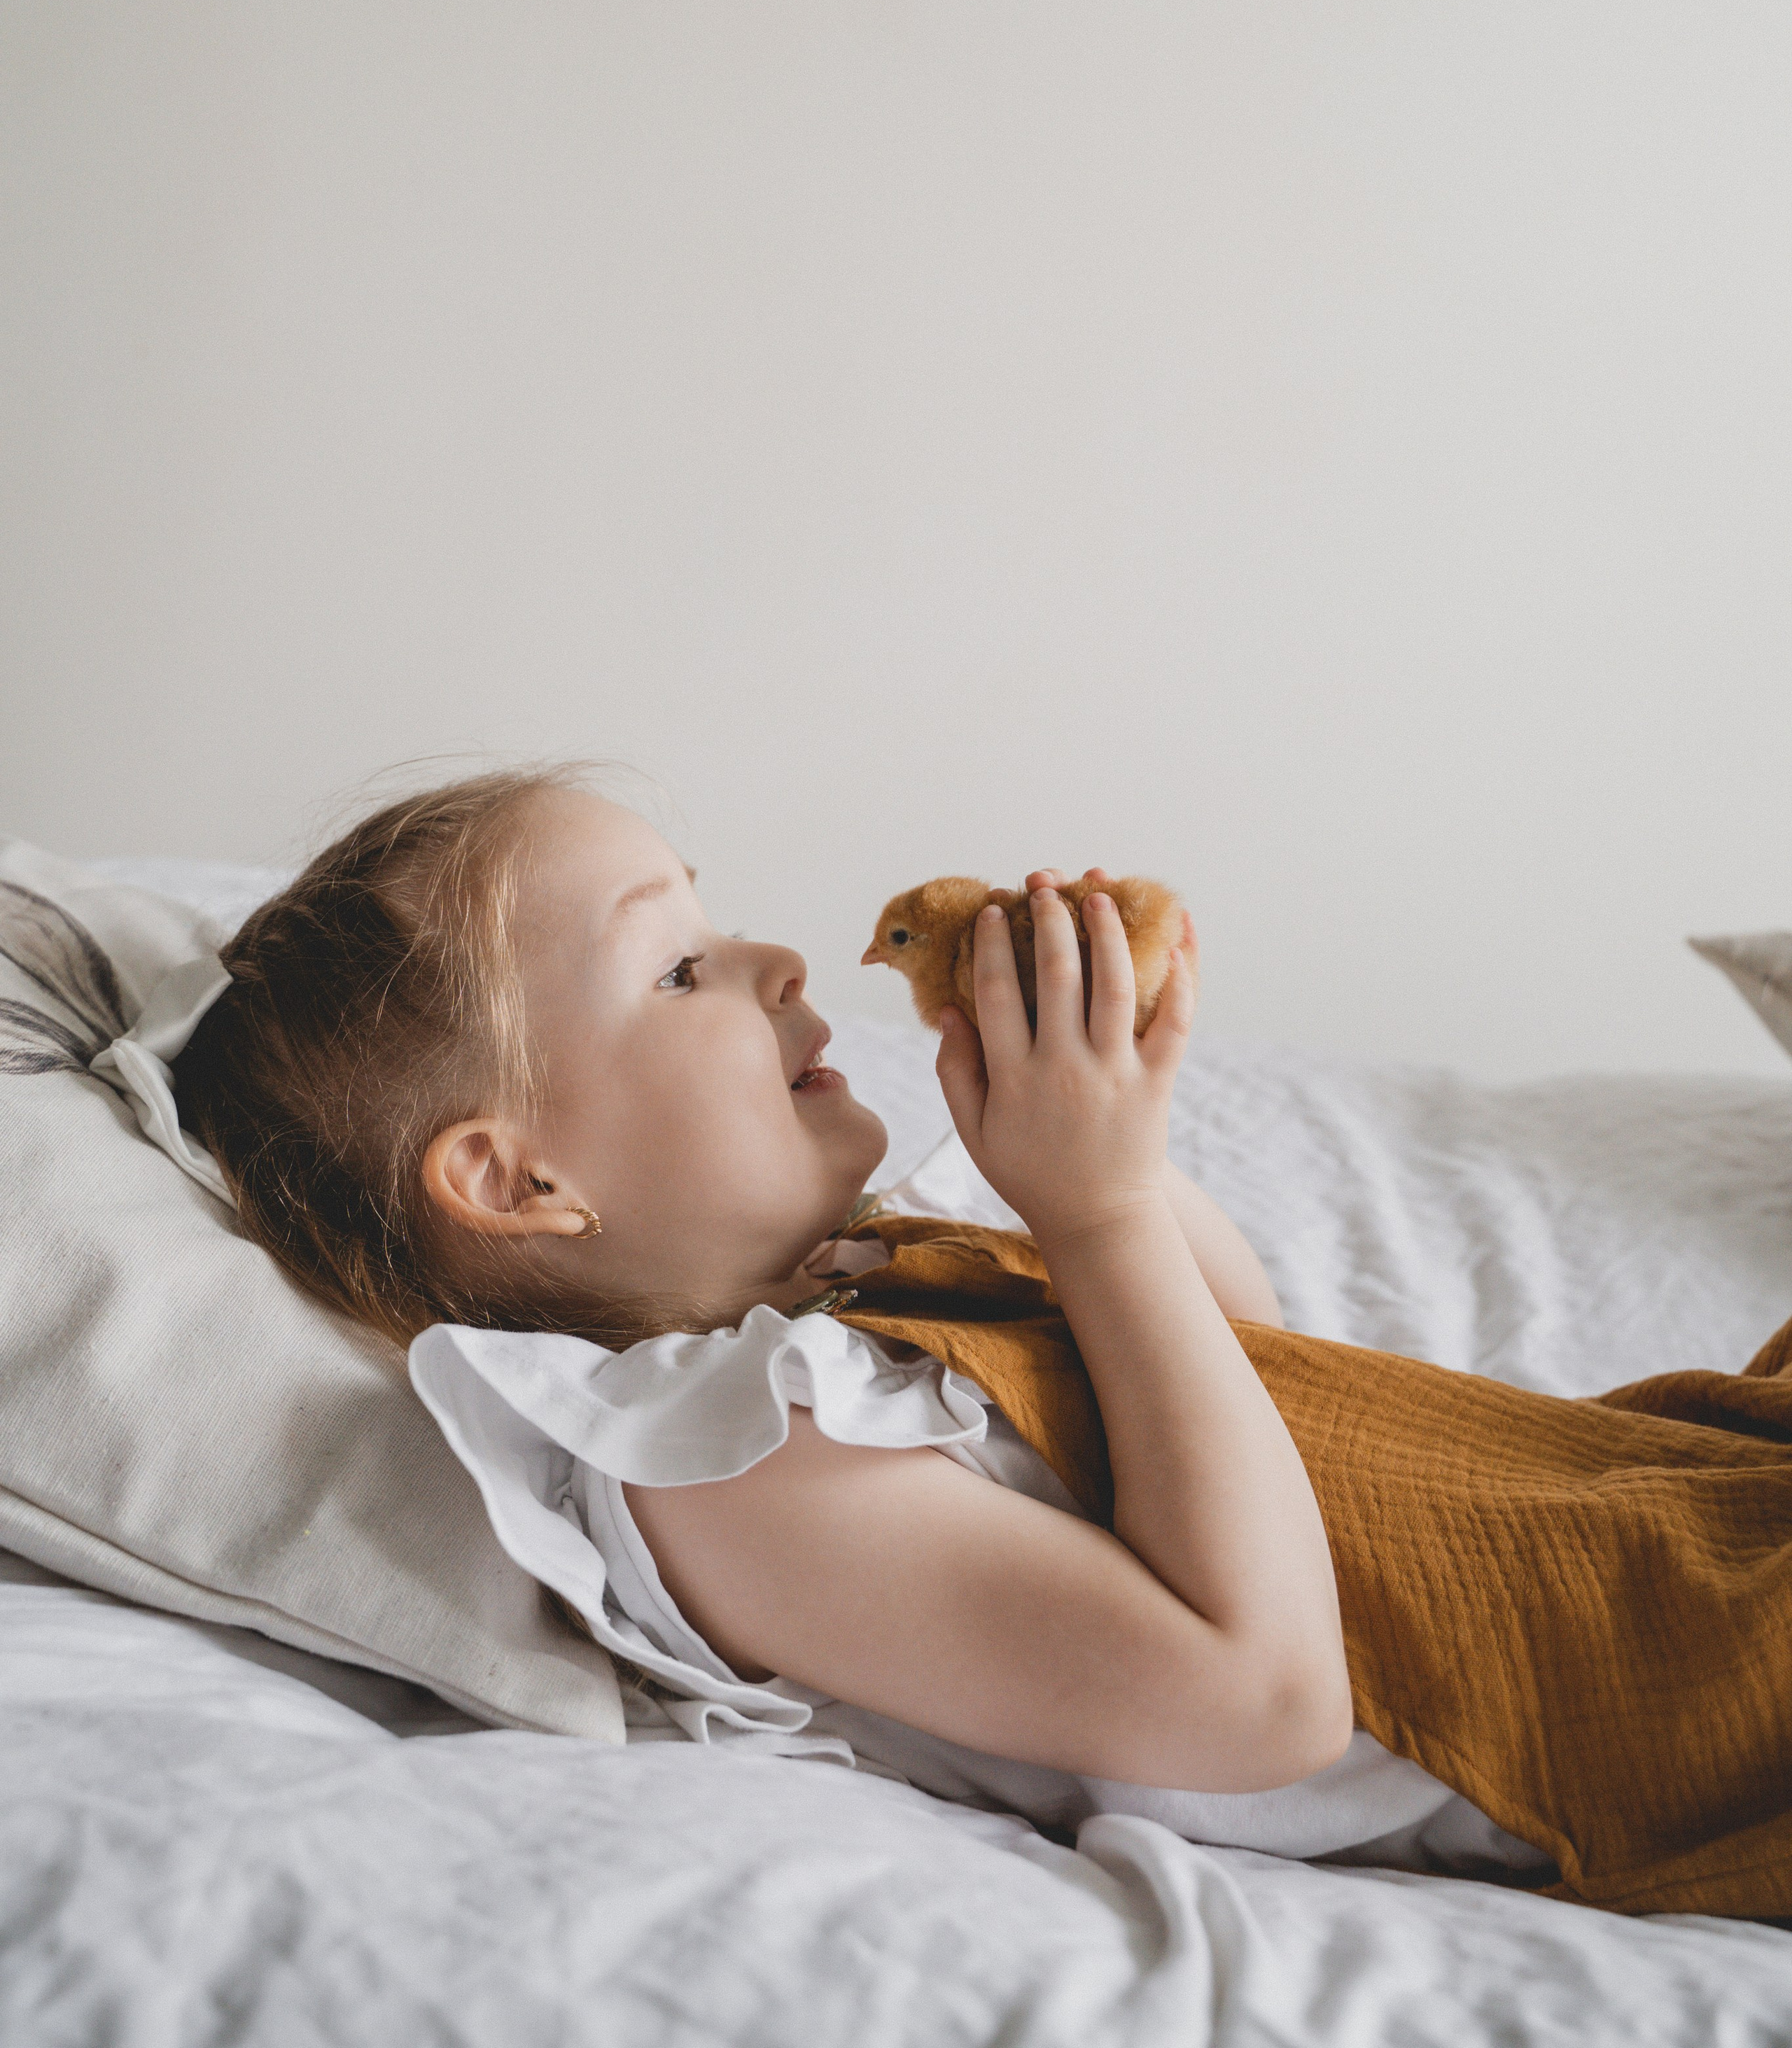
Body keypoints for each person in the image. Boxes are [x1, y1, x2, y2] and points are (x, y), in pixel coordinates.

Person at [174, 769, 1792, 1917]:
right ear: (521, 1180)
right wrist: (1091, 1227)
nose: (778, 964)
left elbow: (1262, 1395)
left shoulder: (877, 1277)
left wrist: (1123, 1163)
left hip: (1627, 1492)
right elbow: (1264, 1697)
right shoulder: (726, 1463)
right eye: (676, 967)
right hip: (1636, 1695)